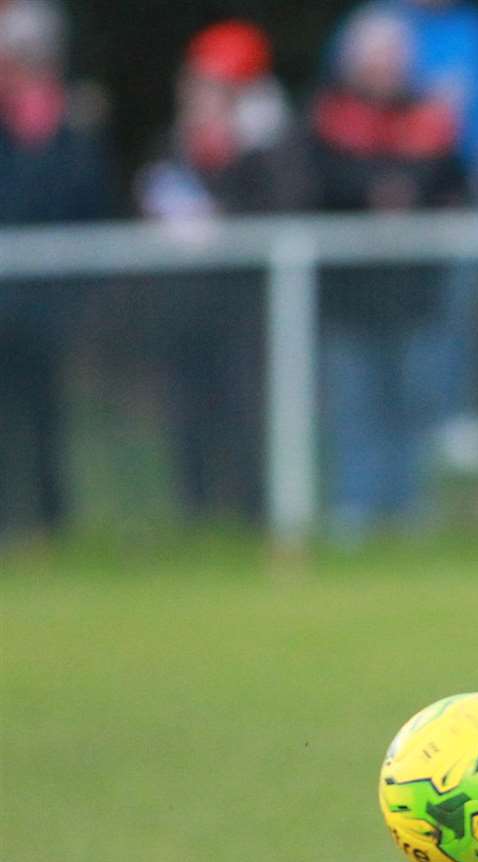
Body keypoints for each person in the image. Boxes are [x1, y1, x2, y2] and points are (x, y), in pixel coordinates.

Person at [137, 19, 305, 525]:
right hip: (185, 311)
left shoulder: (268, 149)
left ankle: (255, 517)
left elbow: (284, 205)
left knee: (245, 416)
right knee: (188, 417)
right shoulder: (172, 146)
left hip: (245, 312)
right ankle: (197, 518)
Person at [307, 8, 466, 539]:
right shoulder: (329, 115)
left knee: (409, 406)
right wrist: (375, 194)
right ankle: (355, 513)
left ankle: (408, 513)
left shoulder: (429, 117)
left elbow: (450, 182)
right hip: (351, 296)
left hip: (413, 293)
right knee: (356, 407)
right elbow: (320, 183)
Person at [0, 0, 111, 539]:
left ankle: (51, 524)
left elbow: (86, 201)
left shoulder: (71, 127)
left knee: (46, 418)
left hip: (47, 304)